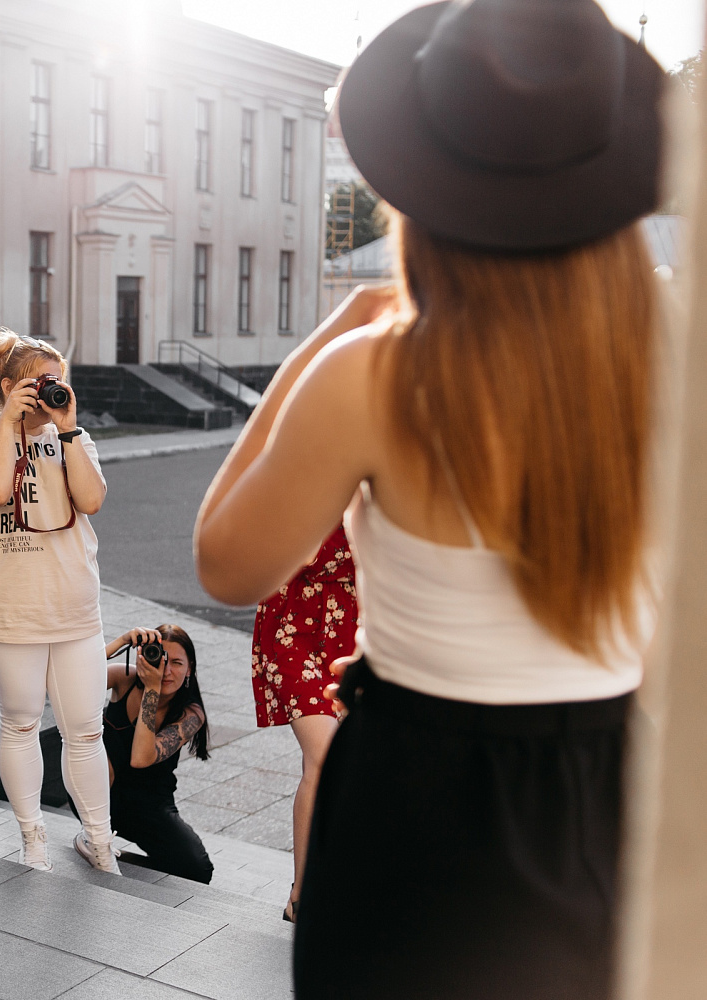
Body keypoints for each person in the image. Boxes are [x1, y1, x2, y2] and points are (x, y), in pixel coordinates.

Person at [193, 2, 663, 996]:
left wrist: (329, 341)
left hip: (412, 796)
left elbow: (227, 563)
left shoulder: (379, 374)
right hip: (614, 791)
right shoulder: (672, 357)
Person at [0, 330, 116, 874]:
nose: (53, 390)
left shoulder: (76, 439)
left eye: (59, 381)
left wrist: (67, 429)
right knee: (22, 721)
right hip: (9, 607)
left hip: (74, 605)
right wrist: (10, 423)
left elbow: (91, 499)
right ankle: (34, 839)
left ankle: (100, 842)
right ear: (8, 387)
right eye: (41, 382)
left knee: (86, 730)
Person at [249, 527, 357, 921]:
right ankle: (303, 892)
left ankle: (330, 882)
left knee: (345, 759)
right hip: (294, 626)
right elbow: (301, 552)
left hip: (354, 625)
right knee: (325, 757)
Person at [98, 625, 213, 883]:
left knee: (198, 869)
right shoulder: (123, 678)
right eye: (161, 659)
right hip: (100, 794)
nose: (167, 671)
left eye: (177, 663)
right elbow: (73, 676)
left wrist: (152, 688)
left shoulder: (191, 713)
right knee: (92, 747)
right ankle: (94, 836)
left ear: (190, 669)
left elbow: (140, 758)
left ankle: (119, 859)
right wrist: (121, 641)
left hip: (149, 806)